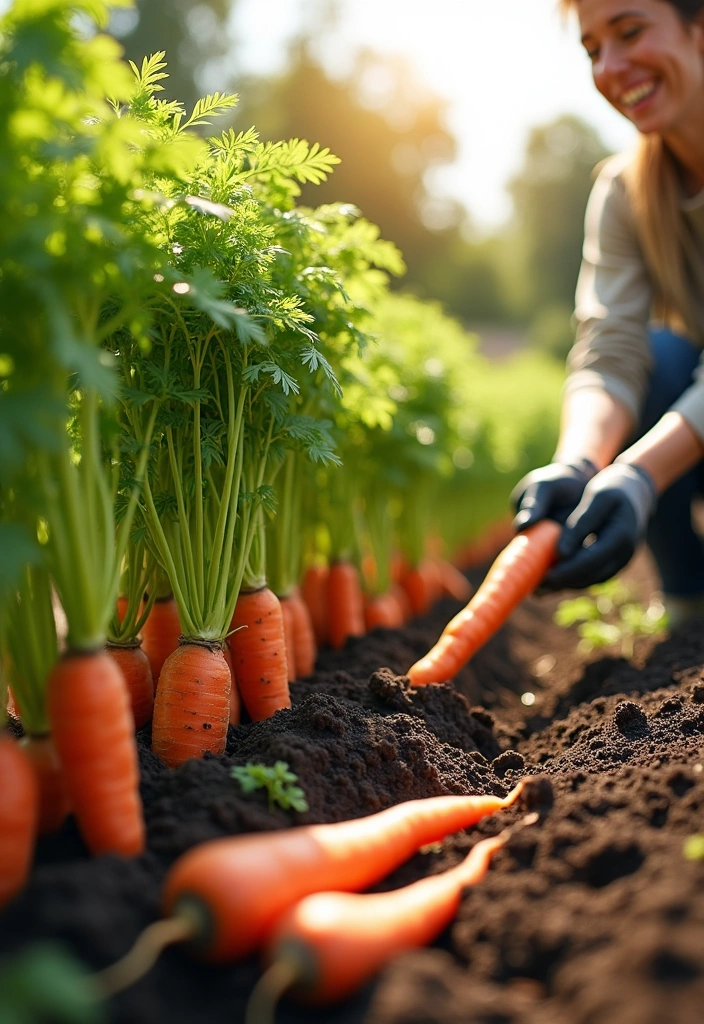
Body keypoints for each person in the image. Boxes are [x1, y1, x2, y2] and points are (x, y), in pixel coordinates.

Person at [511, 0, 704, 621]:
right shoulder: (626, 191)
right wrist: (581, 462)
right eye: (594, 49)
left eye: (630, 31)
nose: (613, 66)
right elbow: (610, 348)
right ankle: (689, 605)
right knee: (661, 355)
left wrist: (642, 473)